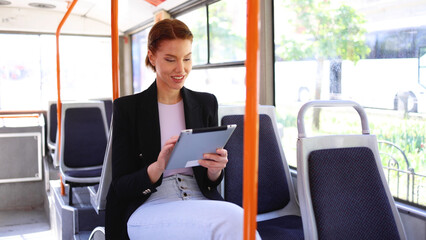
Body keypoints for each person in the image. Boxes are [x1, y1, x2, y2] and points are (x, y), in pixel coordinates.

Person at [105, 19, 258, 240]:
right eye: (170, 60)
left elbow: (209, 181)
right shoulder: (128, 108)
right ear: (151, 57)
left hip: (199, 197)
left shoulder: (206, 103)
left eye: (187, 59)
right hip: (149, 204)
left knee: (237, 221)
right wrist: (158, 167)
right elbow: (120, 186)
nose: (181, 69)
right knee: (236, 220)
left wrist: (214, 171)